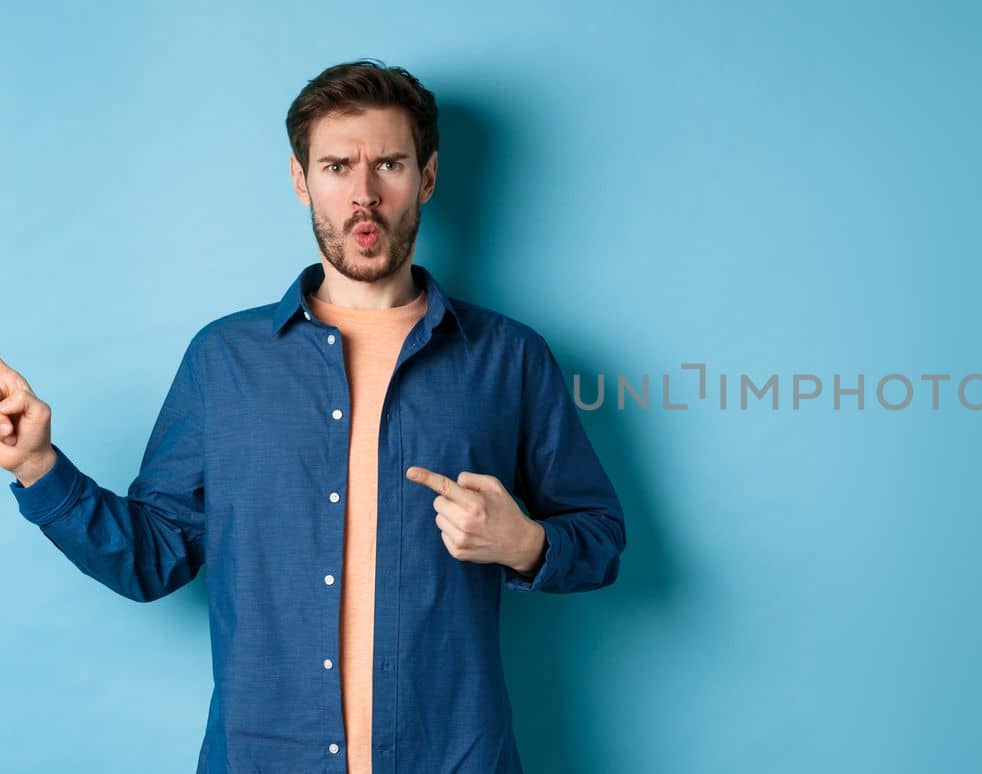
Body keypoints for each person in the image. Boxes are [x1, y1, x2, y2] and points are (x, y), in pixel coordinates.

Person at [0, 59, 626, 774]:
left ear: (425, 178)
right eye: (336, 166)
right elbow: (153, 557)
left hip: (453, 758)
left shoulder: (509, 359)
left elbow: (600, 538)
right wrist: (35, 466)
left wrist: (525, 542)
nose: (363, 193)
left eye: (388, 163)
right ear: (302, 180)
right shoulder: (224, 361)